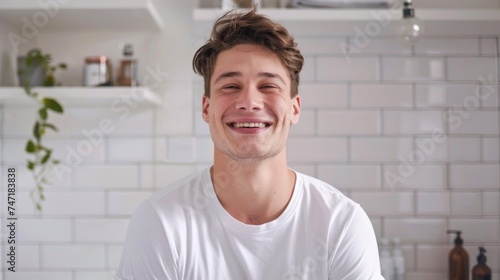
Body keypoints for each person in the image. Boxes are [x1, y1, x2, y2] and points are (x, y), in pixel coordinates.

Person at [114, 6, 383, 280]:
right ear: (206, 109)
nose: (249, 102)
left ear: (295, 109)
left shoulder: (340, 224)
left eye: (268, 86)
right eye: (230, 86)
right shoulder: (160, 223)